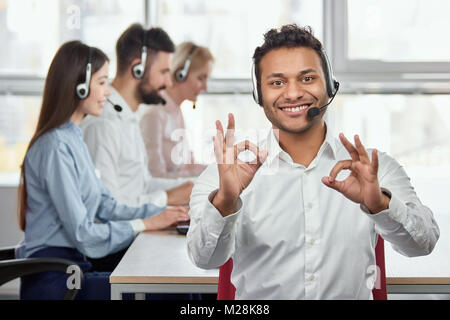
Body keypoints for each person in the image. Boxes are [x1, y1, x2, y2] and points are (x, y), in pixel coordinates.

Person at [186, 24, 440, 299]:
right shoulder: (224, 177)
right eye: (277, 82)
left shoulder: (376, 169)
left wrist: (380, 204)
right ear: (259, 94)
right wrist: (225, 201)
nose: (293, 94)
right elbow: (204, 259)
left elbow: (422, 244)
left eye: (307, 79)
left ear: (329, 86)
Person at [16, 41, 190, 300]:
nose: (108, 92)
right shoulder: (54, 147)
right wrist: (144, 223)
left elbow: (107, 206)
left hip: (74, 270)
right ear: (80, 85)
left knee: (180, 287)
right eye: (101, 82)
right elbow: (83, 234)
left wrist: (163, 214)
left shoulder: (73, 139)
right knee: (172, 294)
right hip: (57, 280)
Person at [81, 24, 193, 208]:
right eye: (164, 72)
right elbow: (105, 207)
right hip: (123, 235)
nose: (169, 81)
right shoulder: (104, 124)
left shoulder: (129, 118)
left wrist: (198, 185)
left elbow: (144, 186)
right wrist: (167, 198)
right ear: (137, 69)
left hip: (136, 231)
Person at [140, 41, 213, 178]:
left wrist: (219, 171)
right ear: (181, 74)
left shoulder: (177, 112)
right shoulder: (154, 114)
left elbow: (189, 165)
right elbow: (155, 176)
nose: (205, 87)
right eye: (200, 78)